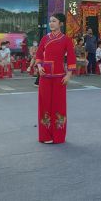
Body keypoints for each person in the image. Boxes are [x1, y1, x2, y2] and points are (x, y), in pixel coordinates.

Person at [35, 13, 76, 144]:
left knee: (59, 106)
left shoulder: (66, 39)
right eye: (50, 21)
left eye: (54, 21)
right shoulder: (45, 38)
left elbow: (71, 58)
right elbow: (38, 55)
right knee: (44, 105)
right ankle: (45, 136)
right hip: (45, 77)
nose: (51, 23)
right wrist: (39, 66)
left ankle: (58, 136)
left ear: (61, 24)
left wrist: (68, 75)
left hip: (59, 77)